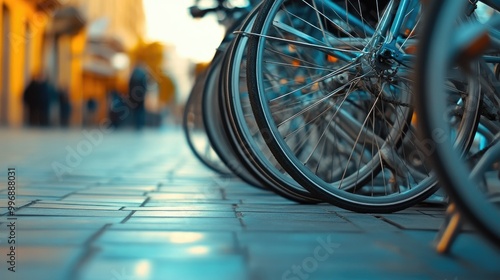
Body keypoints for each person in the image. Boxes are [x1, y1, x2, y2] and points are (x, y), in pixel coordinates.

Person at [128, 63, 148, 130]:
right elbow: (145, 85)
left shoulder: (133, 75)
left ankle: (136, 124)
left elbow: (130, 85)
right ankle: (139, 125)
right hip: (140, 96)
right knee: (140, 110)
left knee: (135, 110)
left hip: (134, 96)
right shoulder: (142, 74)